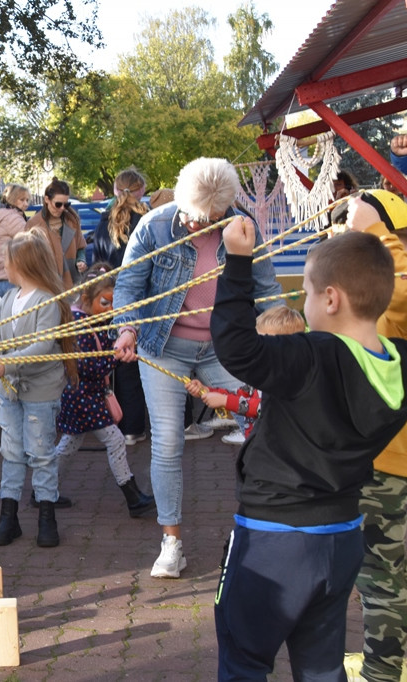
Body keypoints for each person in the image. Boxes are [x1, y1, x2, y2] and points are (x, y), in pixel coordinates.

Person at [210, 216, 407, 681]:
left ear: (331, 298)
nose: (304, 304)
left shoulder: (311, 356)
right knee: (321, 666)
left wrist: (238, 263)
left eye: (306, 292)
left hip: (273, 541)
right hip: (341, 540)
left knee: (244, 658)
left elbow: (236, 346)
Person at [112, 157, 282, 579]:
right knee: (168, 441)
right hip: (164, 347)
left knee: (273, 416)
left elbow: (266, 289)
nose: (196, 225)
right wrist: (127, 329)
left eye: (209, 219)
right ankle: (171, 544)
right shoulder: (153, 226)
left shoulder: (243, 228)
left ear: (226, 210)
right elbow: (129, 286)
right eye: (191, 216)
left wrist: (288, 337)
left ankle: (270, 528)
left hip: (225, 348)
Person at [342, 190, 407, 682]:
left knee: (380, 570)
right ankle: (382, 662)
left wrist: (373, 229)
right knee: (377, 565)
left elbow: (397, 296)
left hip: (389, 452)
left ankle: (383, 672)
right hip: (378, 448)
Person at [0, 229, 77, 548]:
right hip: (9, 391)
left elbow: (42, 345)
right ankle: (8, 517)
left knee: (40, 454)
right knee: (10, 452)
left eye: (7, 261)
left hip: (40, 391)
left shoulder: (47, 301)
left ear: (21, 264)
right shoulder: (9, 298)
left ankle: (46, 517)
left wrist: (5, 364)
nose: (4, 266)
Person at [52, 264, 154, 518]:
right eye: (105, 302)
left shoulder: (90, 321)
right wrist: (114, 358)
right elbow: (88, 365)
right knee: (115, 440)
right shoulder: (82, 325)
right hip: (83, 395)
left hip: (84, 394)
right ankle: (132, 496)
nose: (110, 309)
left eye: (113, 303)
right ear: (86, 299)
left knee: (70, 442)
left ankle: (43, 488)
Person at [185, 305, 306, 445]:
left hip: (281, 450)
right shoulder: (260, 372)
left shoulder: (287, 377)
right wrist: (208, 391)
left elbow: (263, 407)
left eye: (263, 344)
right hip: (259, 447)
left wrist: (224, 401)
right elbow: (241, 395)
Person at [92, 168, 150, 446]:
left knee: (121, 362)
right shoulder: (148, 221)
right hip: (145, 298)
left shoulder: (104, 223)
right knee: (145, 362)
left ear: (115, 191)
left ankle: (128, 426)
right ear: (141, 190)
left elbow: (99, 266)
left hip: (111, 299)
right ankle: (140, 424)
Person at [26, 177, 86, 291]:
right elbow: (28, 260)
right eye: (58, 204)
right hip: (46, 286)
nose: (62, 208)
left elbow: (80, 247)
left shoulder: (73, 221)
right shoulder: (33, 224)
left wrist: (81, 260)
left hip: (72, 284)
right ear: (47, 200)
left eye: (66, 204)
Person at [0, 183, 29, 296]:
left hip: (0, 279)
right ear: (12, 199)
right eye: (22, 200)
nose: (26, 204)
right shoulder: (13, 219)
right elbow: (31, 244)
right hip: (15, 278)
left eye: (27, 200)